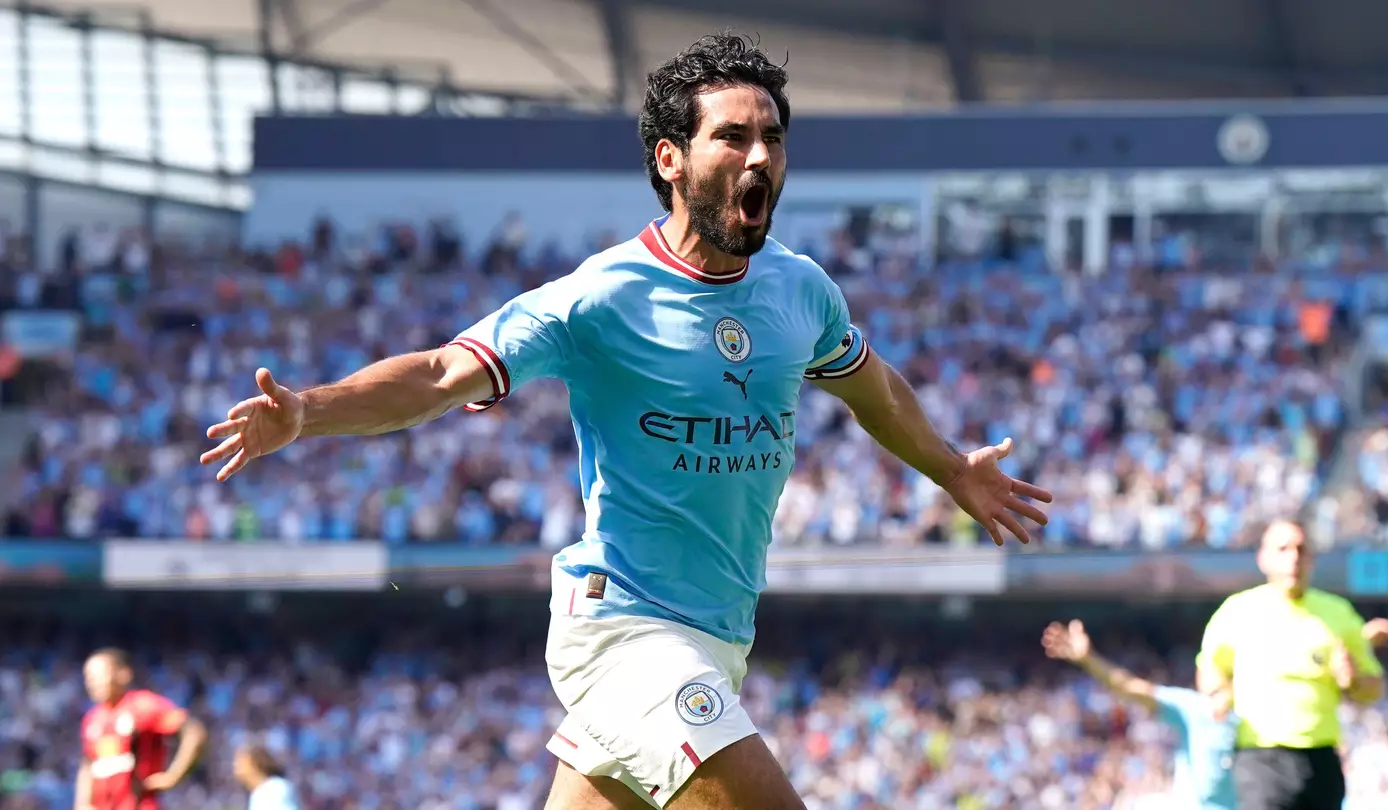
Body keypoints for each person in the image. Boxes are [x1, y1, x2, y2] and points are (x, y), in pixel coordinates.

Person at [199, 33, 1052, 810]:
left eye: (774, 139)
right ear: (670, 159)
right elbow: (437, 374)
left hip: (718, 637)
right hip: (622, 628)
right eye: (733, 137)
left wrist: (950, 467)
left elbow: (871, 387)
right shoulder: (597, 298)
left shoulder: (802, 292)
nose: (760, 156)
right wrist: (308, 412)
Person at [1042, 617, 1388, 810]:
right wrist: (1087, 659)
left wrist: (1362, 642)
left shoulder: (1262, 706)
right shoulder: (1189, 708)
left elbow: (1310, 674)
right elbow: (1130, 687)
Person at [1196, 520, 1386, 810]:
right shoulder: (1238, 611)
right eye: (1283, 549)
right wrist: (1218, 694)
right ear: (1264, 558)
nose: (1293, 558)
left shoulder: (1338, 614)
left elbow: (1374, 687)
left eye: (1301, 549)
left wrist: (1354, 680)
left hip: (1321, 760)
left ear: (1312, 559)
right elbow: (1209, 668)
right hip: (1261, 757)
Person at [75, 648, 207, 810]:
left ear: (123, 674)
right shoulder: (92, 719)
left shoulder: (143, 705)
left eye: (98, 675)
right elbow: (88, 763)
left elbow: (194, 731)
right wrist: (83, 803)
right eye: (88, 677)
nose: (92, 682)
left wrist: (174, 776)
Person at [233, 744, 301, 810]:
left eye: (240, 760)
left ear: (255, 762)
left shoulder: (276, 788)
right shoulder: (258, 792)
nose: (235, 764)